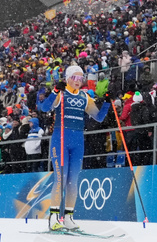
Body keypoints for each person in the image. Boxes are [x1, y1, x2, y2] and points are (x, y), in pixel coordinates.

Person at [36, 64, 110, 231]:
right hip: (60, 139)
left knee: (73, 180)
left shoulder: (84, 97)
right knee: (60, 178)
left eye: (80, 78)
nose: (78, 81)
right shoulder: (61, 93)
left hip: (77, 142)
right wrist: (55, 91)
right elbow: (45, 108)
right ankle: (54, 216)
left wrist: (106, 102)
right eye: (74, 77)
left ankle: (68, 217)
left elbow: (98, 117)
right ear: (68, 78)